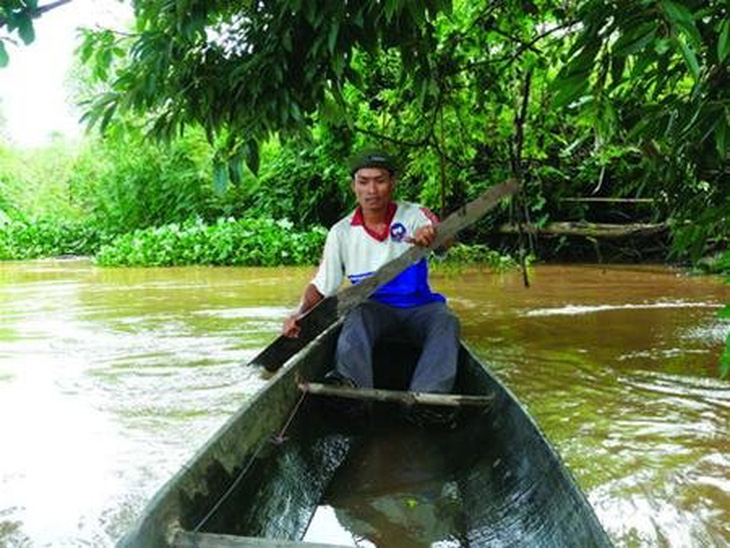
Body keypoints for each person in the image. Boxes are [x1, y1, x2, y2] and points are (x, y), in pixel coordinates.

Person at [282, 148, 460, 394]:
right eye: (363, 182)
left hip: (420, 307)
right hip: (372, 308)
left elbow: (446, 241)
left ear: (392, 183)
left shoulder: (414, 214)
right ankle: (353, 393)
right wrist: (299, 313)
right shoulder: (340, 232)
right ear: (353, 186)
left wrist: (433, 235)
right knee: (355, 318)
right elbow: (322, 286)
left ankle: (429, 398)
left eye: (380, 181)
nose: (372, 190)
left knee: (446, 321)